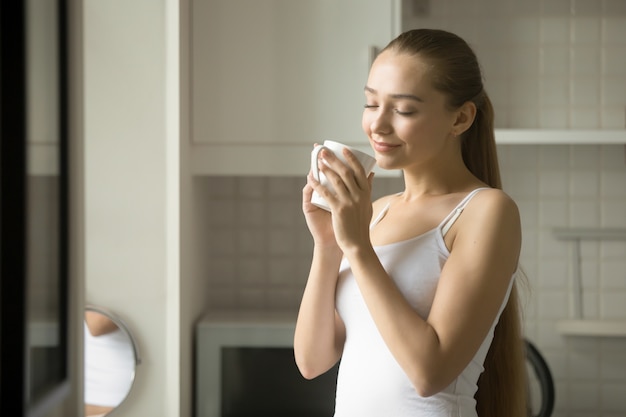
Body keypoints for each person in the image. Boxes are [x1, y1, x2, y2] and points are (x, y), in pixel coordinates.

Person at [294, 28, 527, 417]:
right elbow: (312, 361)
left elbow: (429, 372)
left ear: (461, 118)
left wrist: (357, 248)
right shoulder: (375, 211)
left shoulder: (487, 211)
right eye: (371, 104)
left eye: (403, 110)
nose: (378, 125)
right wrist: (328, 245)